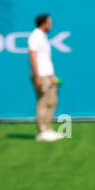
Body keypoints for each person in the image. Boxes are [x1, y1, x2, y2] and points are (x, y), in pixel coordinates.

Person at [28, 13, 63, 142]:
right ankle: (41, 131)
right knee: (43, 102)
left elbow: (46, 59)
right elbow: (32, 57)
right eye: (49, 22)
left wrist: (53, 75)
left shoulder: (43, 37)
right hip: (41, 76)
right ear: (43, 23)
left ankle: (48, 129)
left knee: (52, 102)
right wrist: (37, 76)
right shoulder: (35, 36)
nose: (51, 25)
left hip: (49, 75)